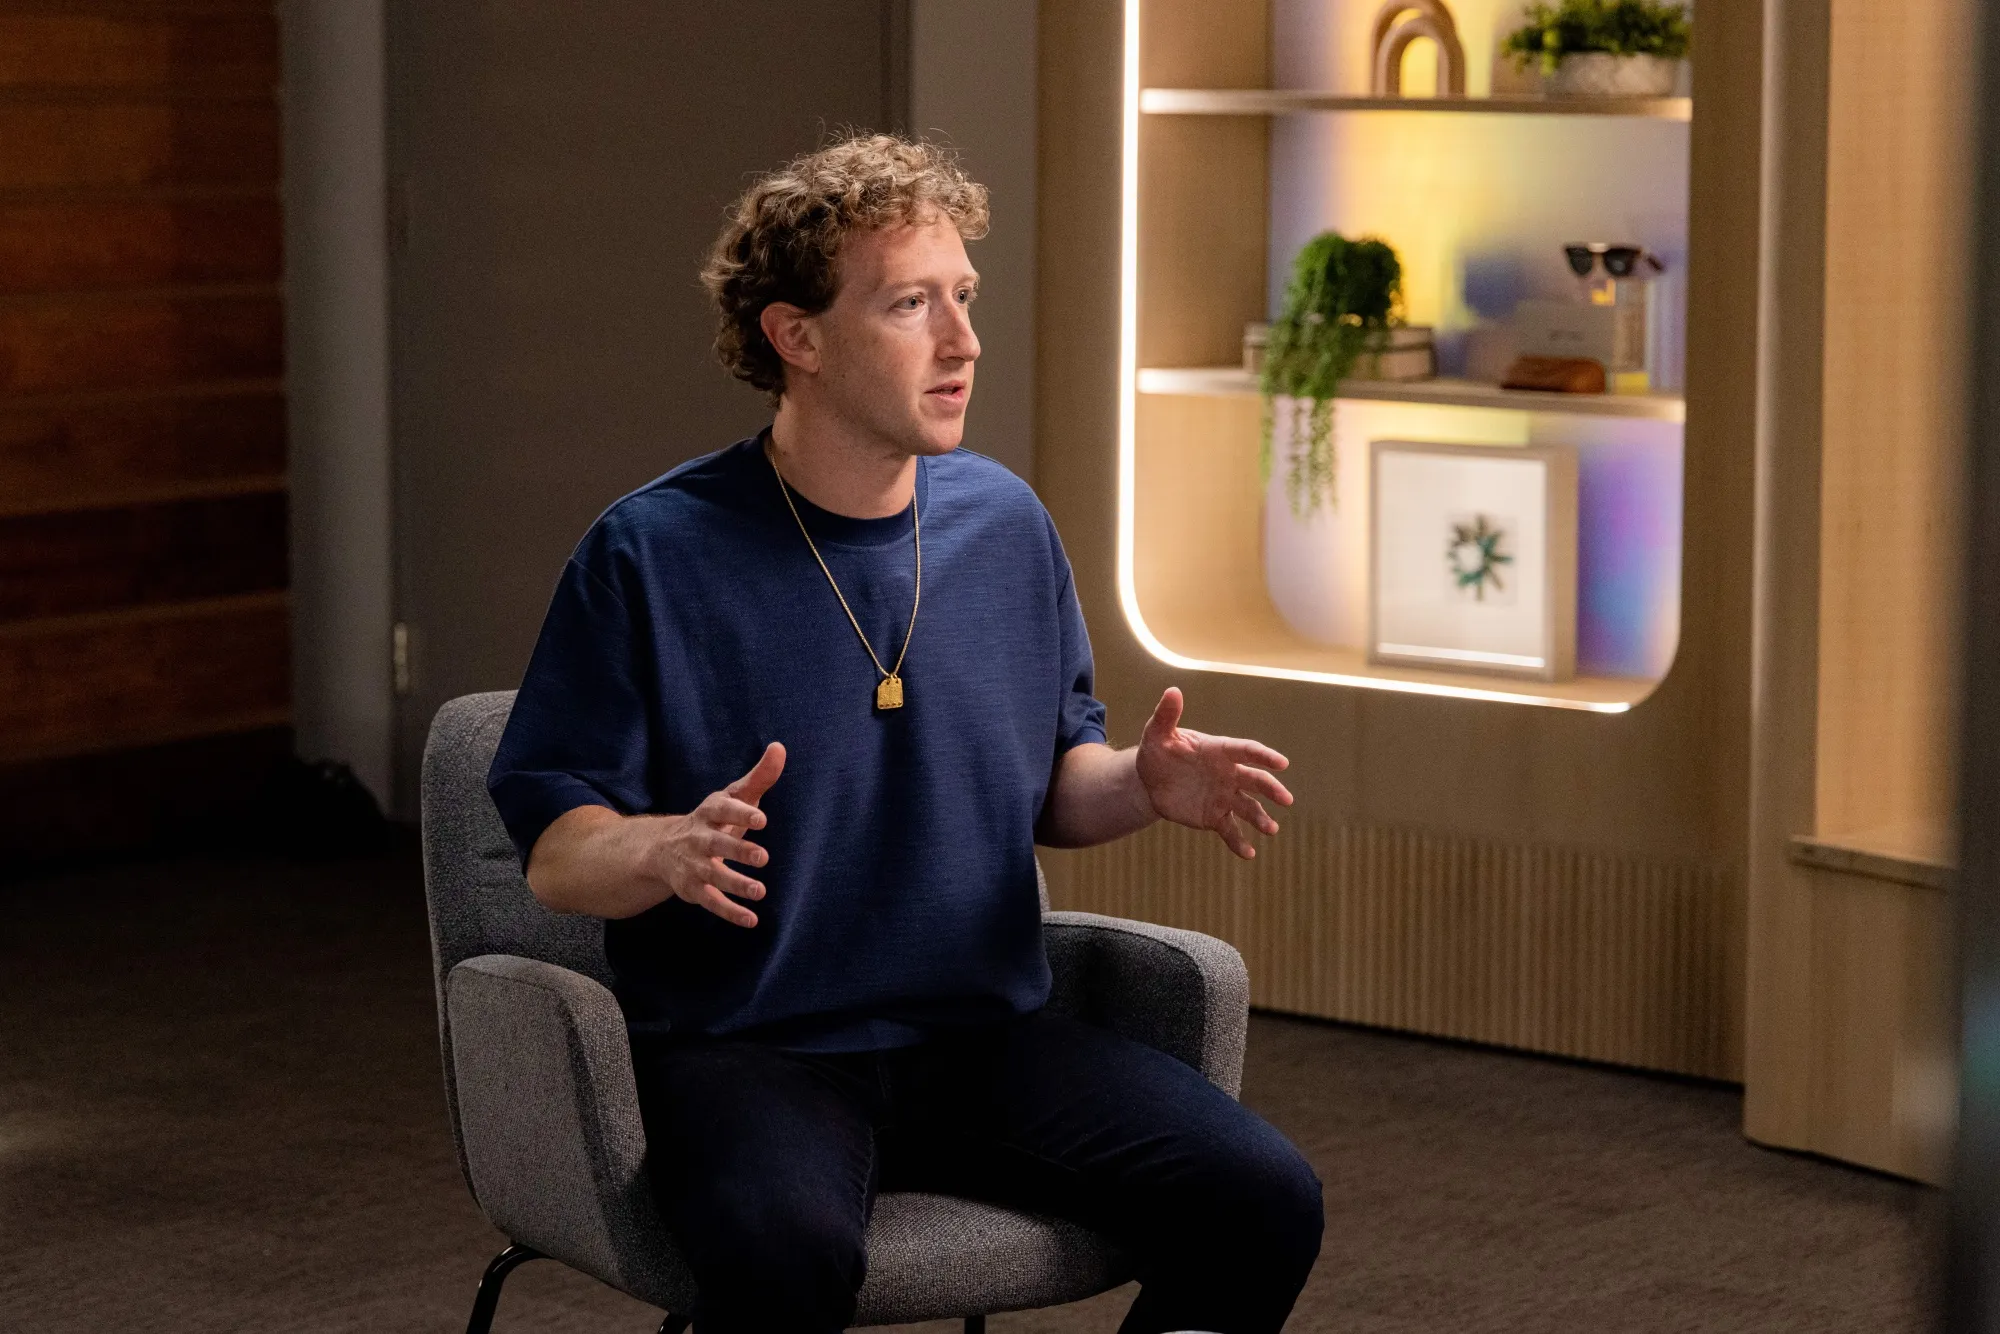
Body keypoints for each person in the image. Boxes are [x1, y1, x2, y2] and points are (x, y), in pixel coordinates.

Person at [487, 133, 1323, 1334]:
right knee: (786, 1252)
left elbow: (1053, 791)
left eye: (963, 297)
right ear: (798, 337)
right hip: (749, 1047)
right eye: (910, 304)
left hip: (976, 1032)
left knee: (1263, 1198)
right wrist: (661, 847)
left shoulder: (1005, 526)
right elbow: (556, 852)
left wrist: (1138, 783)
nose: (962, 340)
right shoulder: (650, 555)